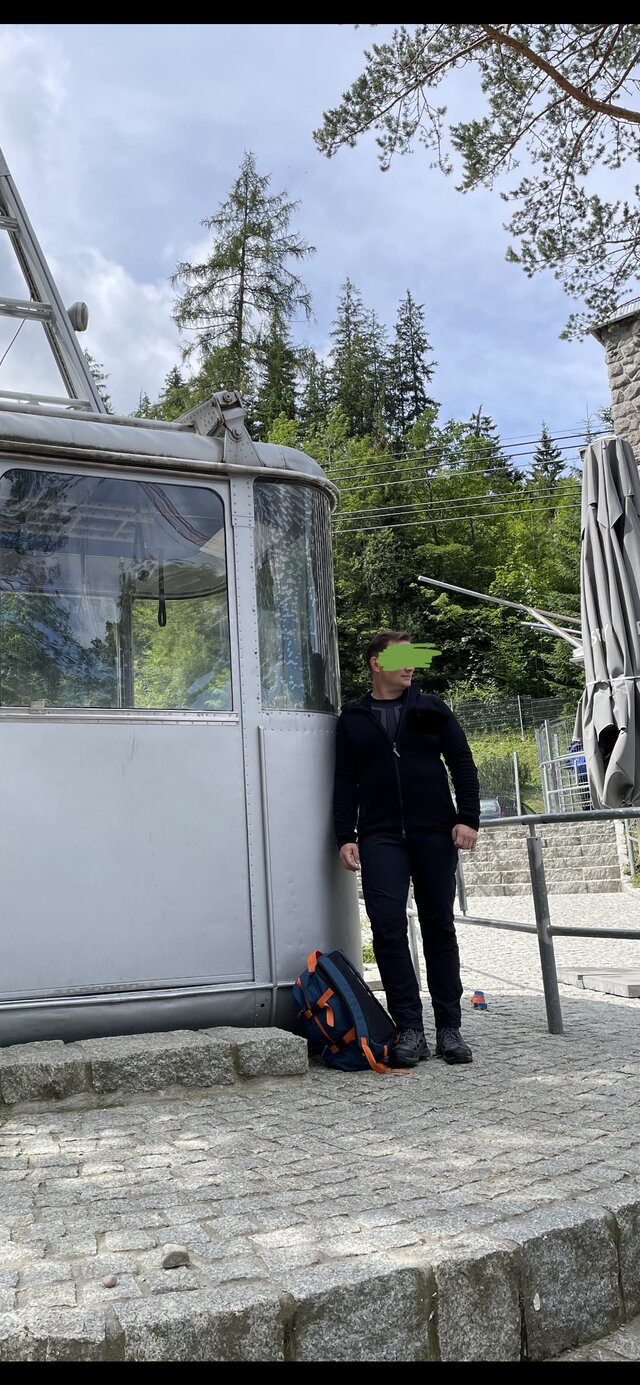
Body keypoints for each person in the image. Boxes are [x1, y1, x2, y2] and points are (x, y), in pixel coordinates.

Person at [333, 630, 480, 1068]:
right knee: (387, 927)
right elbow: (344, 781)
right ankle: (410, 1029)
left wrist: (467, 818)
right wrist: (345, 835)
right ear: (376, 663)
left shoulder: (432, 708)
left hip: (434, 832)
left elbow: (462, 763)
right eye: (402, 657)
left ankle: (449, 1028)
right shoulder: (352, 718)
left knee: (439, 926)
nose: (411, 664)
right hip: (379, 835)